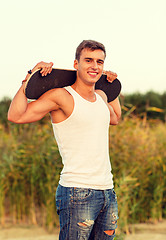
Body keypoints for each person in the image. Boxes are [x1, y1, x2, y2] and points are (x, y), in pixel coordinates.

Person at [8, 40, 121, 239]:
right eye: (88, 60)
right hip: (78, 192)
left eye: (99, 62)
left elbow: (115, 118)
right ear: (76, 64)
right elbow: (16, 116)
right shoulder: (62, 96)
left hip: (107, 191)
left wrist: (110, 87)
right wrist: (29, 78)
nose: (94, 66)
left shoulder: (102, 97)